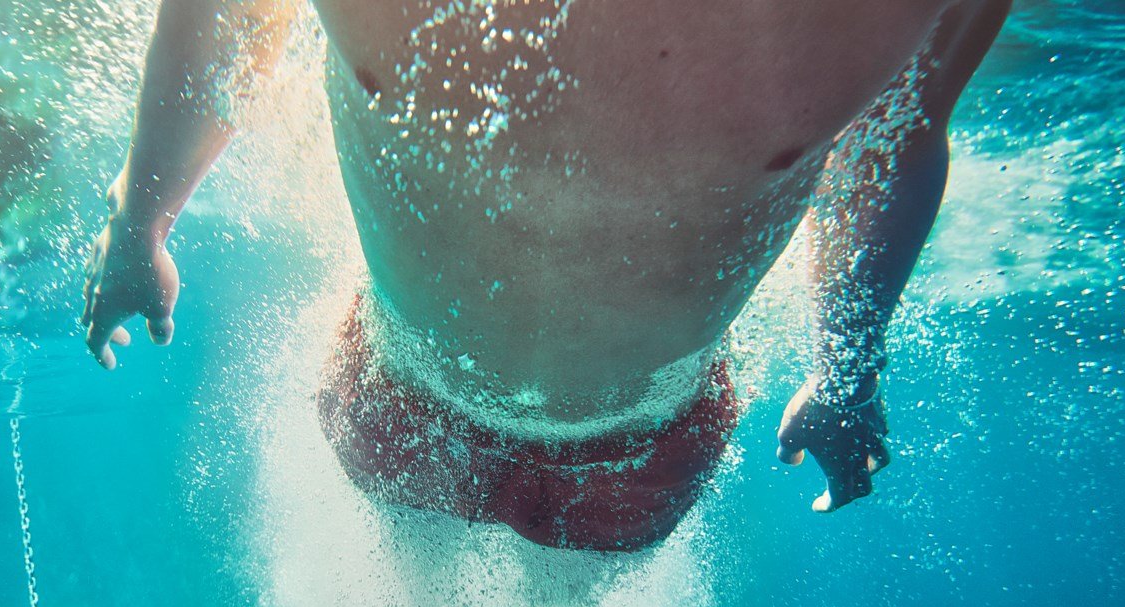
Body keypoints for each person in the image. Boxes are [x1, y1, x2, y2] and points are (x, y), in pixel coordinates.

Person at [79, 0, 1010, 551]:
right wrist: (141, 221)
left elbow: (903, 131)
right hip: (397, 390)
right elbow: (232, 14)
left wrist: (849, 366)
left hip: (653, 442)